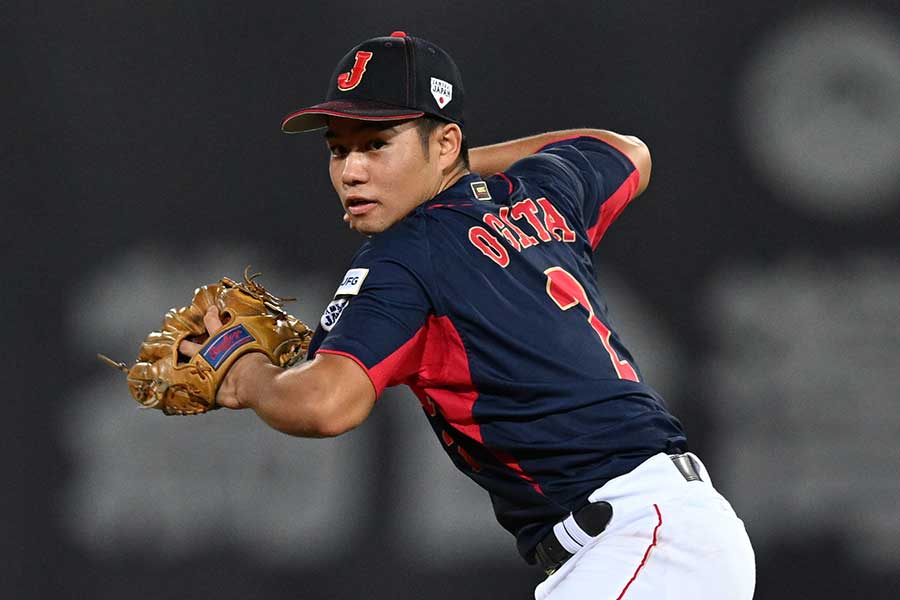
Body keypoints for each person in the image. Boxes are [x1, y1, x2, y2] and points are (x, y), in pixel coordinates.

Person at [180, 31, 755, 599]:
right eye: (339, 149)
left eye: (377, 144)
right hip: (664, 536)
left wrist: (242, 373)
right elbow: (627, 149)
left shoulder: (406, 254)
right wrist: (457, 167)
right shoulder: (541, 189)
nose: (352, 170)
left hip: (640, 543)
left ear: (446, 141)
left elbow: (326, 402)